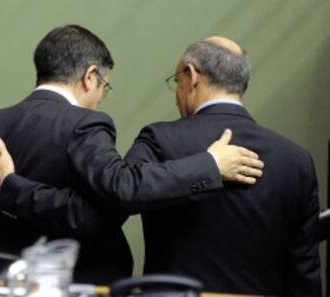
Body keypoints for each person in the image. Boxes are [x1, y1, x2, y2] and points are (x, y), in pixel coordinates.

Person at [0, 25, 263, 284]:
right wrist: (210, 165)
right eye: (104, 86)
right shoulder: (87, 125)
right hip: (69, 287)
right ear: (89, 77)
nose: (101, 97)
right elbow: (103, 212)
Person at [123, 36, 321, 296]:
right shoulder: (297, 160)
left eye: (177, 82)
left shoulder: (160, 140)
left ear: (192, 75)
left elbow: (121, 189)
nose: (177, 95)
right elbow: (304, 272)